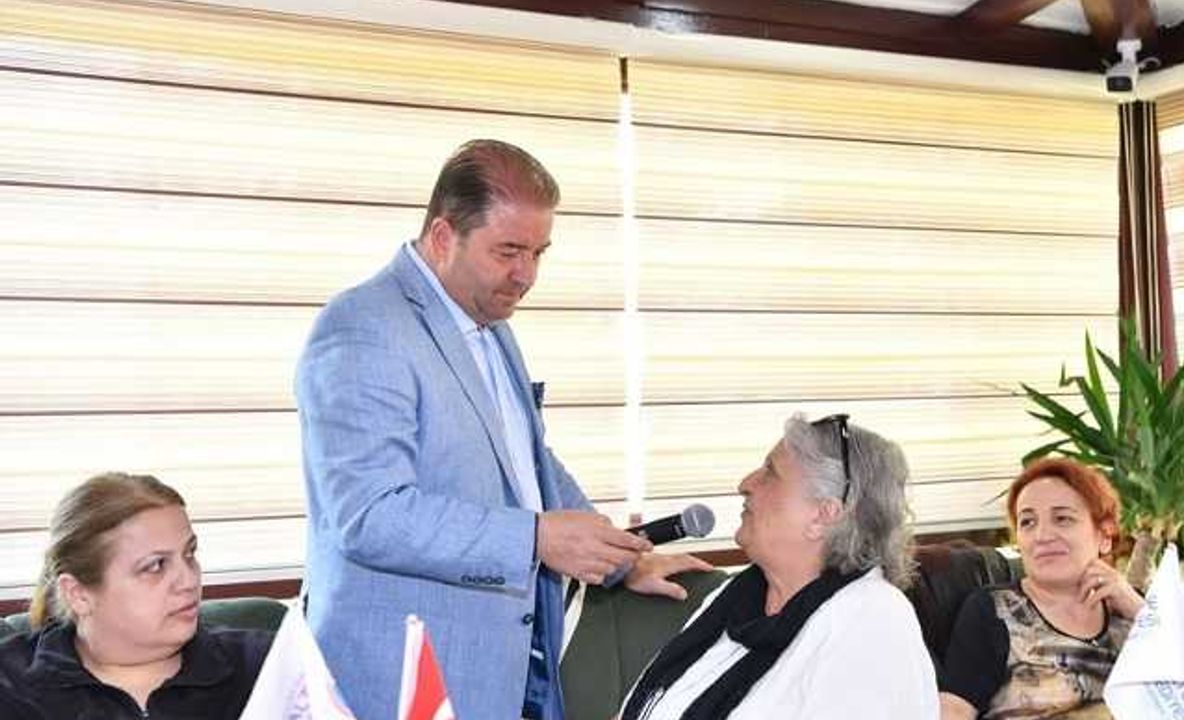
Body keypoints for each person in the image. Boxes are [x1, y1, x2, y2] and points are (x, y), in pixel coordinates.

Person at [295, 138, 710, 720]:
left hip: (506, 672)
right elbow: (368, 515)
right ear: (444, 237)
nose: (526, 275)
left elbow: (529, 462)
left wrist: (619, 558)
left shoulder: (489, 321)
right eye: (509, 251)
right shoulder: (364, 328)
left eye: (539, 252)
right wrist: (535, 539)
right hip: (400, 681)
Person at [618, 413, 939, 720]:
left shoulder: (873, 618)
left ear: (822, 515)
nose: (745, 483)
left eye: (770, 472)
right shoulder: (737, 594)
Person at [0, 472, 272, 719]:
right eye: (156, 566)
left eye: (189, 554)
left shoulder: (266, 665)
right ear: (78, 594)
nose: (189, 580)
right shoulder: (11, 688)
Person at [939, 457, 1145, 719]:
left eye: (1062, 518)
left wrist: (1142, 612)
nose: (1042, 536)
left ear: (1105, 536)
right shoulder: (993, 611)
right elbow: (954, 709)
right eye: (1027, 522)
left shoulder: (1132, 609)